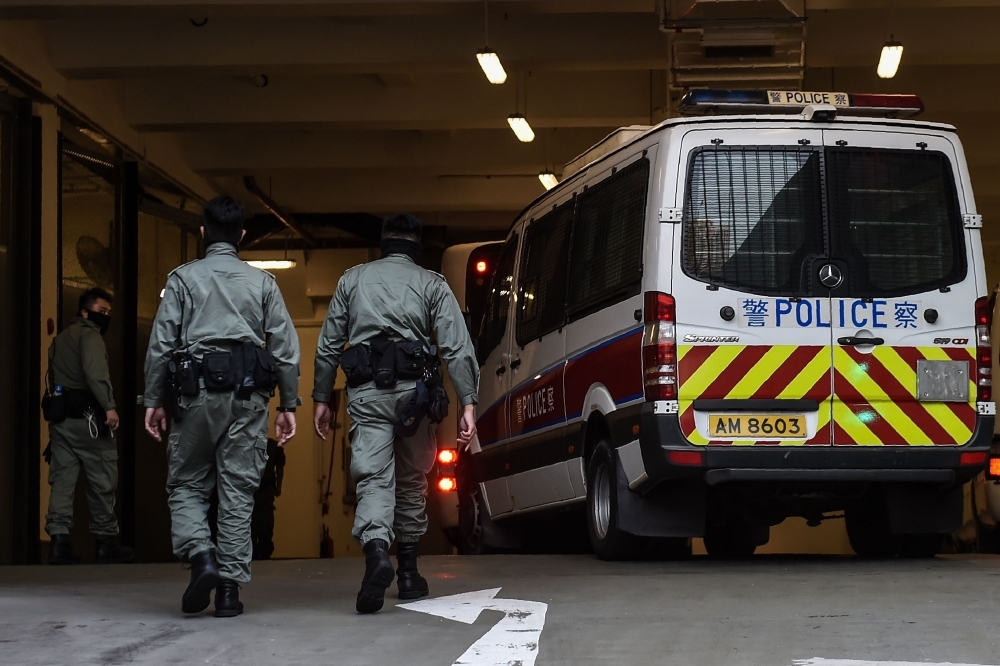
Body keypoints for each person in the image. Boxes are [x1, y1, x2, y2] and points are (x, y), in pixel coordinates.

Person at [142, 196, 300, 618]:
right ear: (242, 236)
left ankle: (201, 557)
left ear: (202, 232)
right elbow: (285, 348)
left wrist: (153, 400)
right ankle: (229, 593)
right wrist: (289, 405)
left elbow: (161, 345)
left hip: (194, 398)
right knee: (237, 492)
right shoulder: (262, 283)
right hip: (248, 400)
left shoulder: (182, 279)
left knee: (187, 485)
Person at [313, 213, 479, 614]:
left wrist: (321, 397)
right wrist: (468, 402)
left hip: (367, 394)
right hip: (414, 397)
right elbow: (457, 347)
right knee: (410, 482)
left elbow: (329, 343)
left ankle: (376, 555)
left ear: (383, 244)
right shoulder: (431, 285)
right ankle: (407, 575)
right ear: (417, 246)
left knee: (372, 479)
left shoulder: (351, 280)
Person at [43, 287, 133, 565]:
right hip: (89, 421)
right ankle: (105, 542)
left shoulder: (60, 340)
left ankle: (59, 542)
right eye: (101, 311)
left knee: (62, 481)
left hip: (62, 420)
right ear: (84, 312)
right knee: (102, 479)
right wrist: (109, 406)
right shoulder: (90, 336)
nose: (105, 317)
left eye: (108, 313)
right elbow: (95, 375)